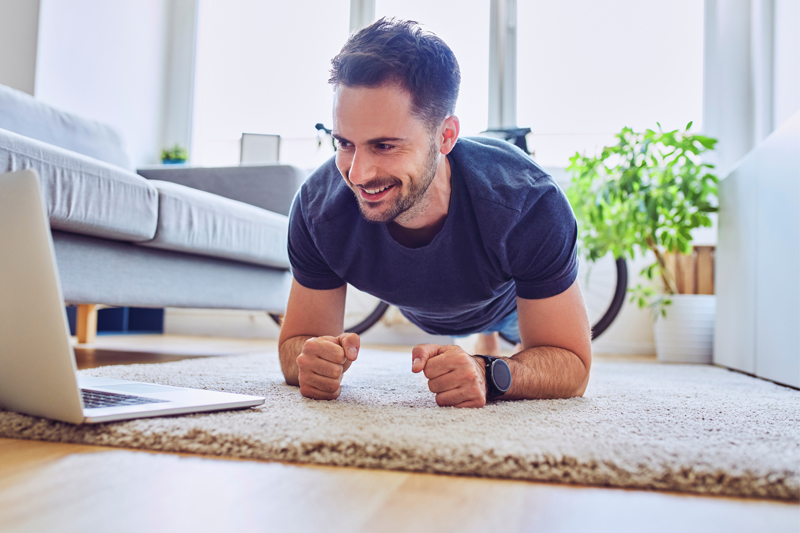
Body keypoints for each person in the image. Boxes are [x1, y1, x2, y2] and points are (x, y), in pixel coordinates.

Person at [278, 18, 591, 408]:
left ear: (445, 136)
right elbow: (297, 344)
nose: (357, 174)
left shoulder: (528, 204)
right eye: (344, 143)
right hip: (421, 310)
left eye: (385, 146)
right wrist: (310, 360)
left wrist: (486, 370)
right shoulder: (318, 209)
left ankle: (488, 339)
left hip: (506, 303)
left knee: (506, 335)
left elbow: (572, 365)